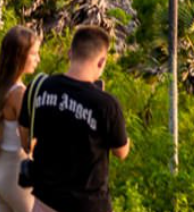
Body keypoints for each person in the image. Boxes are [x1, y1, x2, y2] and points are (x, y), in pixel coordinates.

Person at [17, 24, 130, 212]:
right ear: (101, 62)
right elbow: (121, 152)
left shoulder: (40, 87)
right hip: (88, 204)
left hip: (45, 201)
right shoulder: (105, 104)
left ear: (70, 53)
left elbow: (25, 138)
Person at [0, 25, 41, 212]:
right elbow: (27, 144)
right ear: (20, 56)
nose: (37, 59)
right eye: (33, 54)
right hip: (14, 172)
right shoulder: (20, 94)